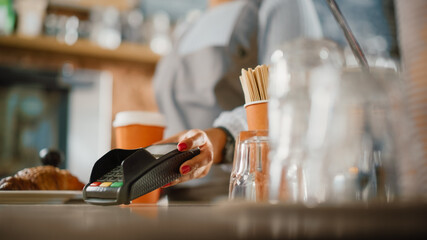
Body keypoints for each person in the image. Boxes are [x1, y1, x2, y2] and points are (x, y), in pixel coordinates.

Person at [154, 0, 323, 202]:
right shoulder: (187, 27)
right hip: (173, 201)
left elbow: (293, 99)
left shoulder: (283, 5)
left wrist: (220, 139)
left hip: (238, 197)